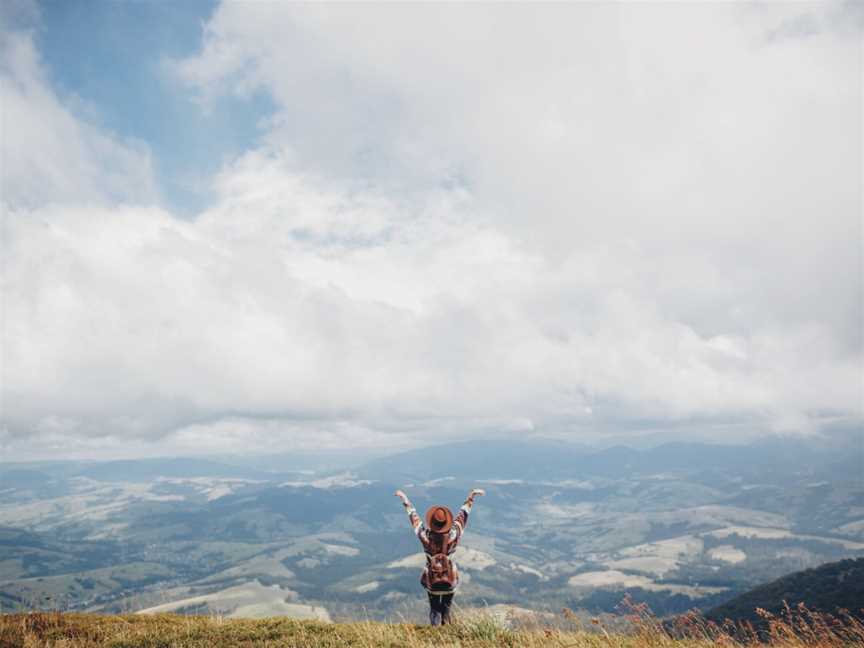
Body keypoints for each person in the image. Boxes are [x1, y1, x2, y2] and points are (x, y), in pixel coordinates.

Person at [394, 487, 485, 625]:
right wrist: (471, 497)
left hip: (432, 581)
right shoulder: (453, 535)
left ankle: (435, 635)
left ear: (432, 523)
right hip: (450, 580)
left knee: (434, 609)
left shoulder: (426, 537)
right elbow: (462, 517)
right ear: (446, 523)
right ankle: (447, 635)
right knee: (446, 610)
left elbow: (415, 519)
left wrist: (406, 501)